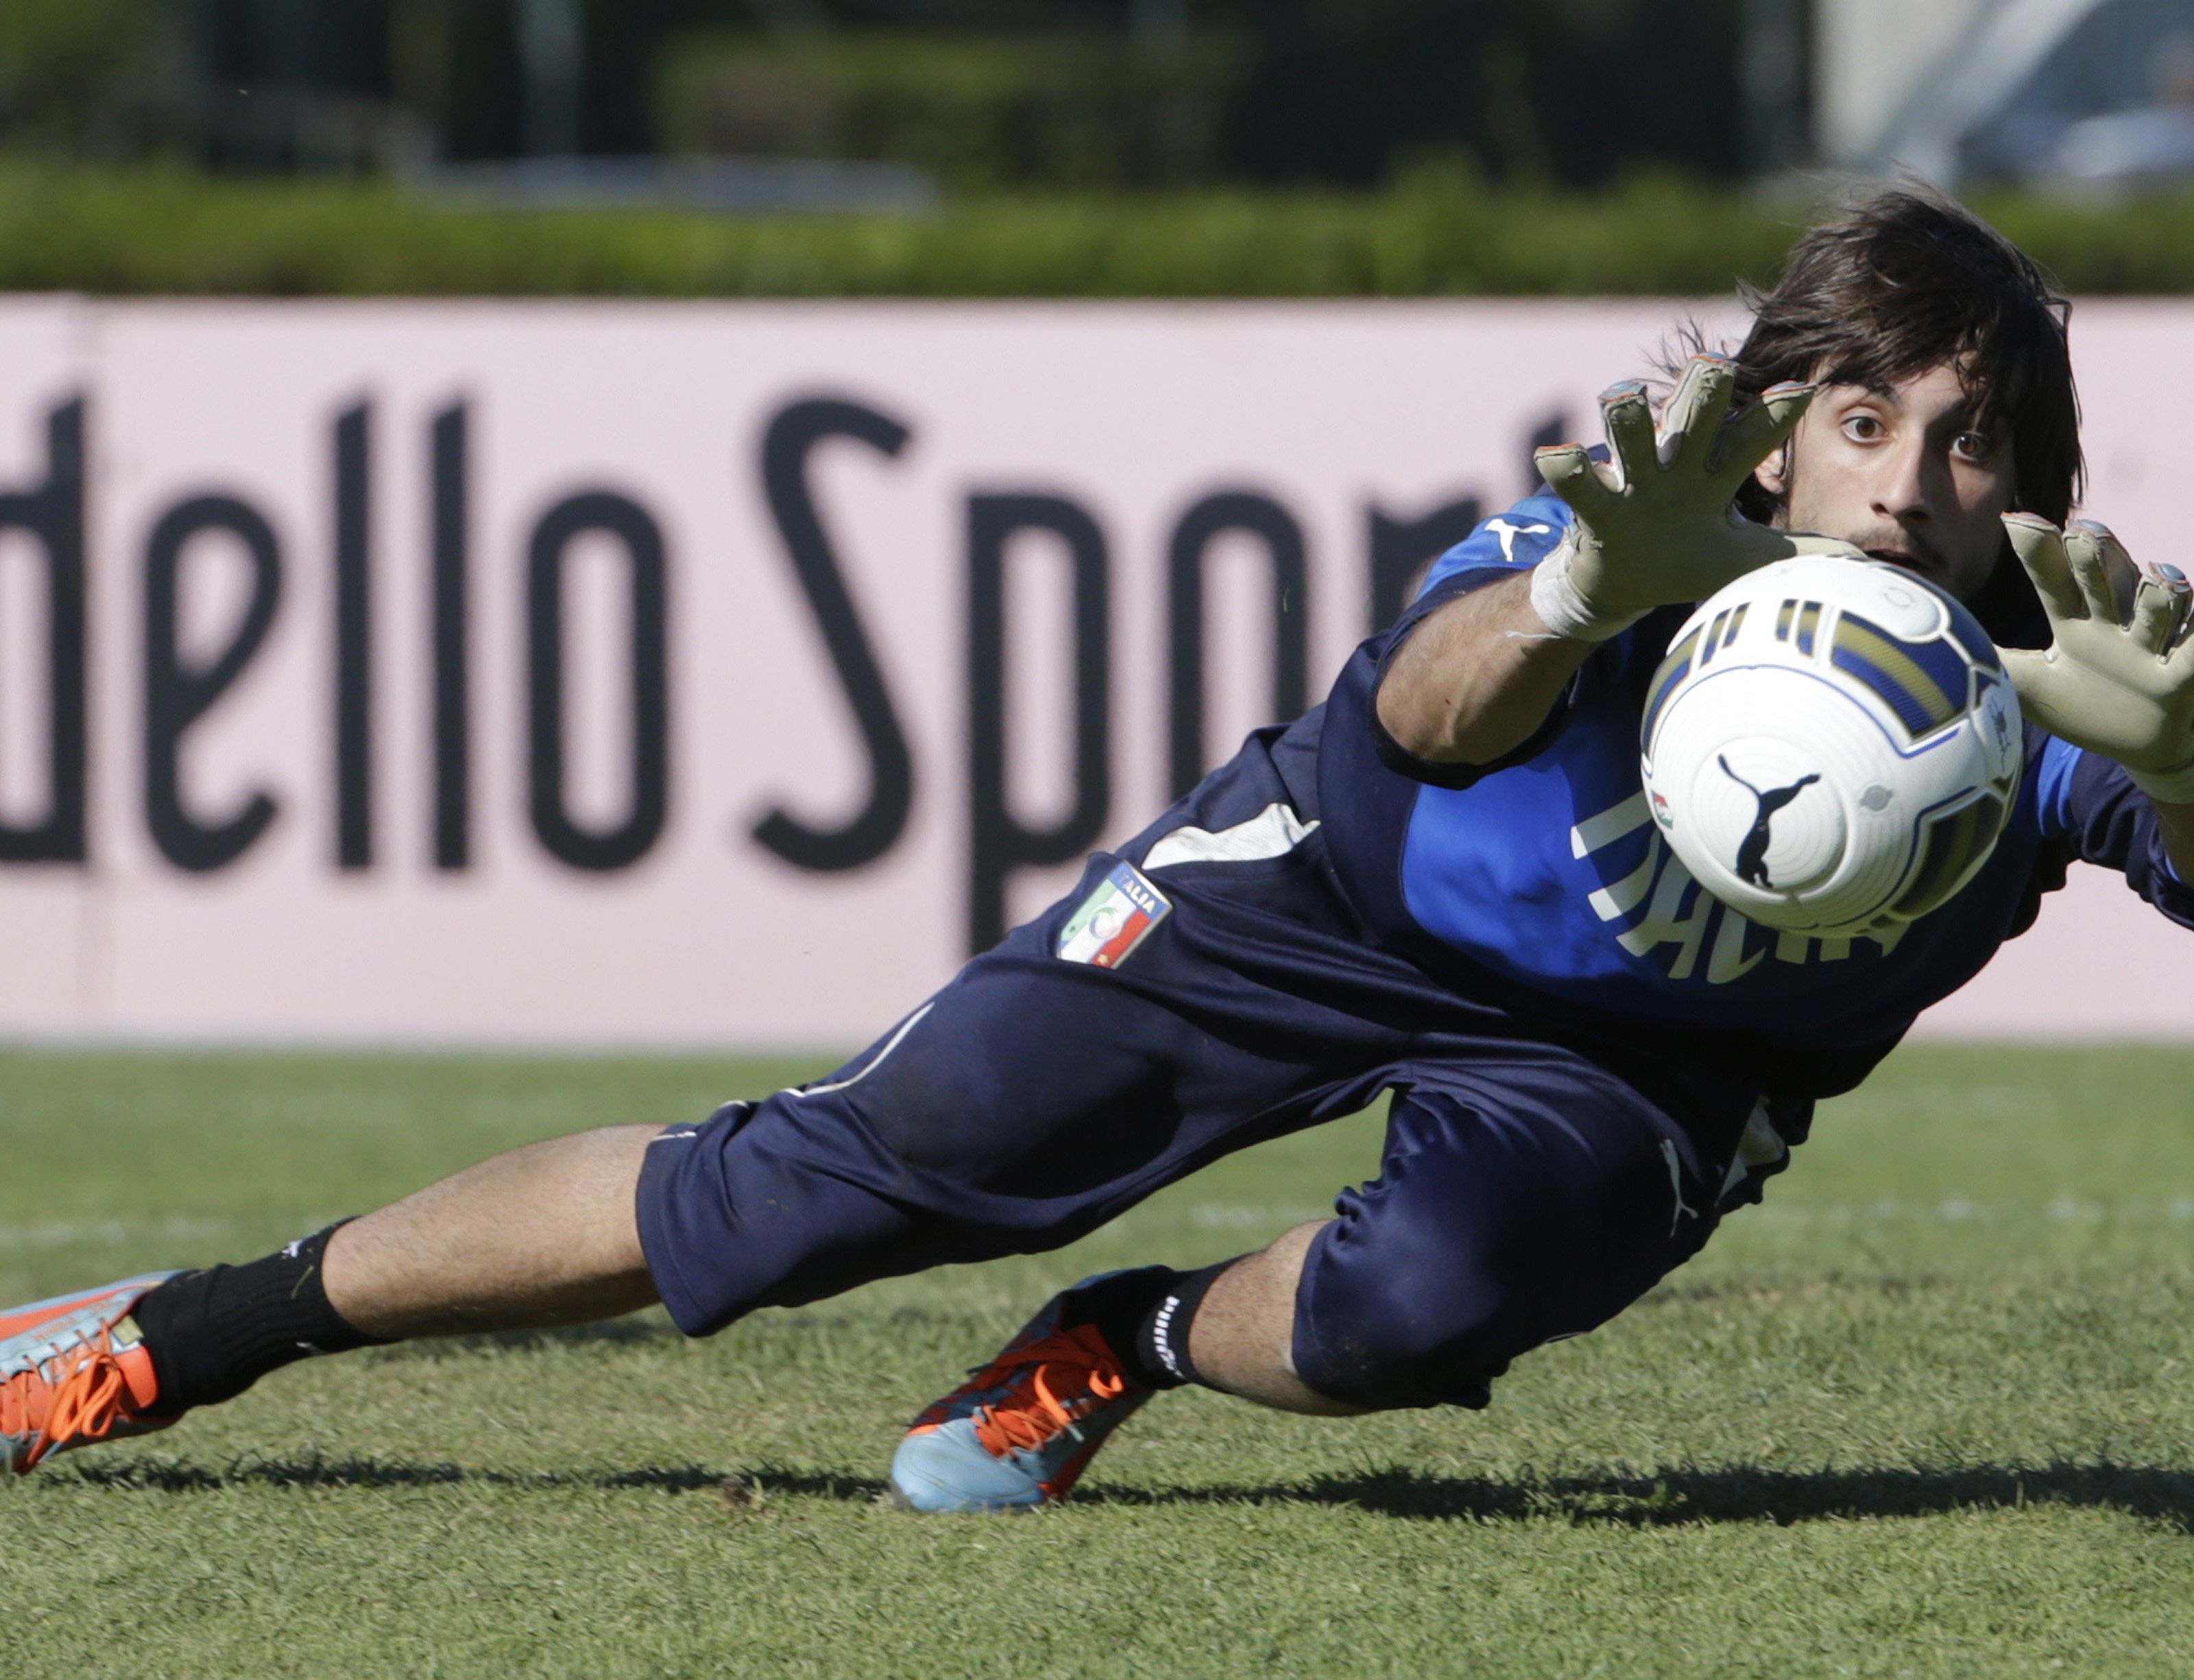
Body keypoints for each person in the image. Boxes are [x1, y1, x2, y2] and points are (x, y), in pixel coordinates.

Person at [9, 186, 2194, 1511]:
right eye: (1866, 413)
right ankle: (194, 1328)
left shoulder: (2058, 687)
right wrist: (1580, 594)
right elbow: (1435, 712)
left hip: (1646, 1073)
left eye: (1972, 437)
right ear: (1782, 410)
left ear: (2035, 476)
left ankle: (1119, 1341)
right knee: (779, 1203)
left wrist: (2184, 768)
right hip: (1324, 896)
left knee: (1417, 1316)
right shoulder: (1642, 521)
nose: (1910, 478)